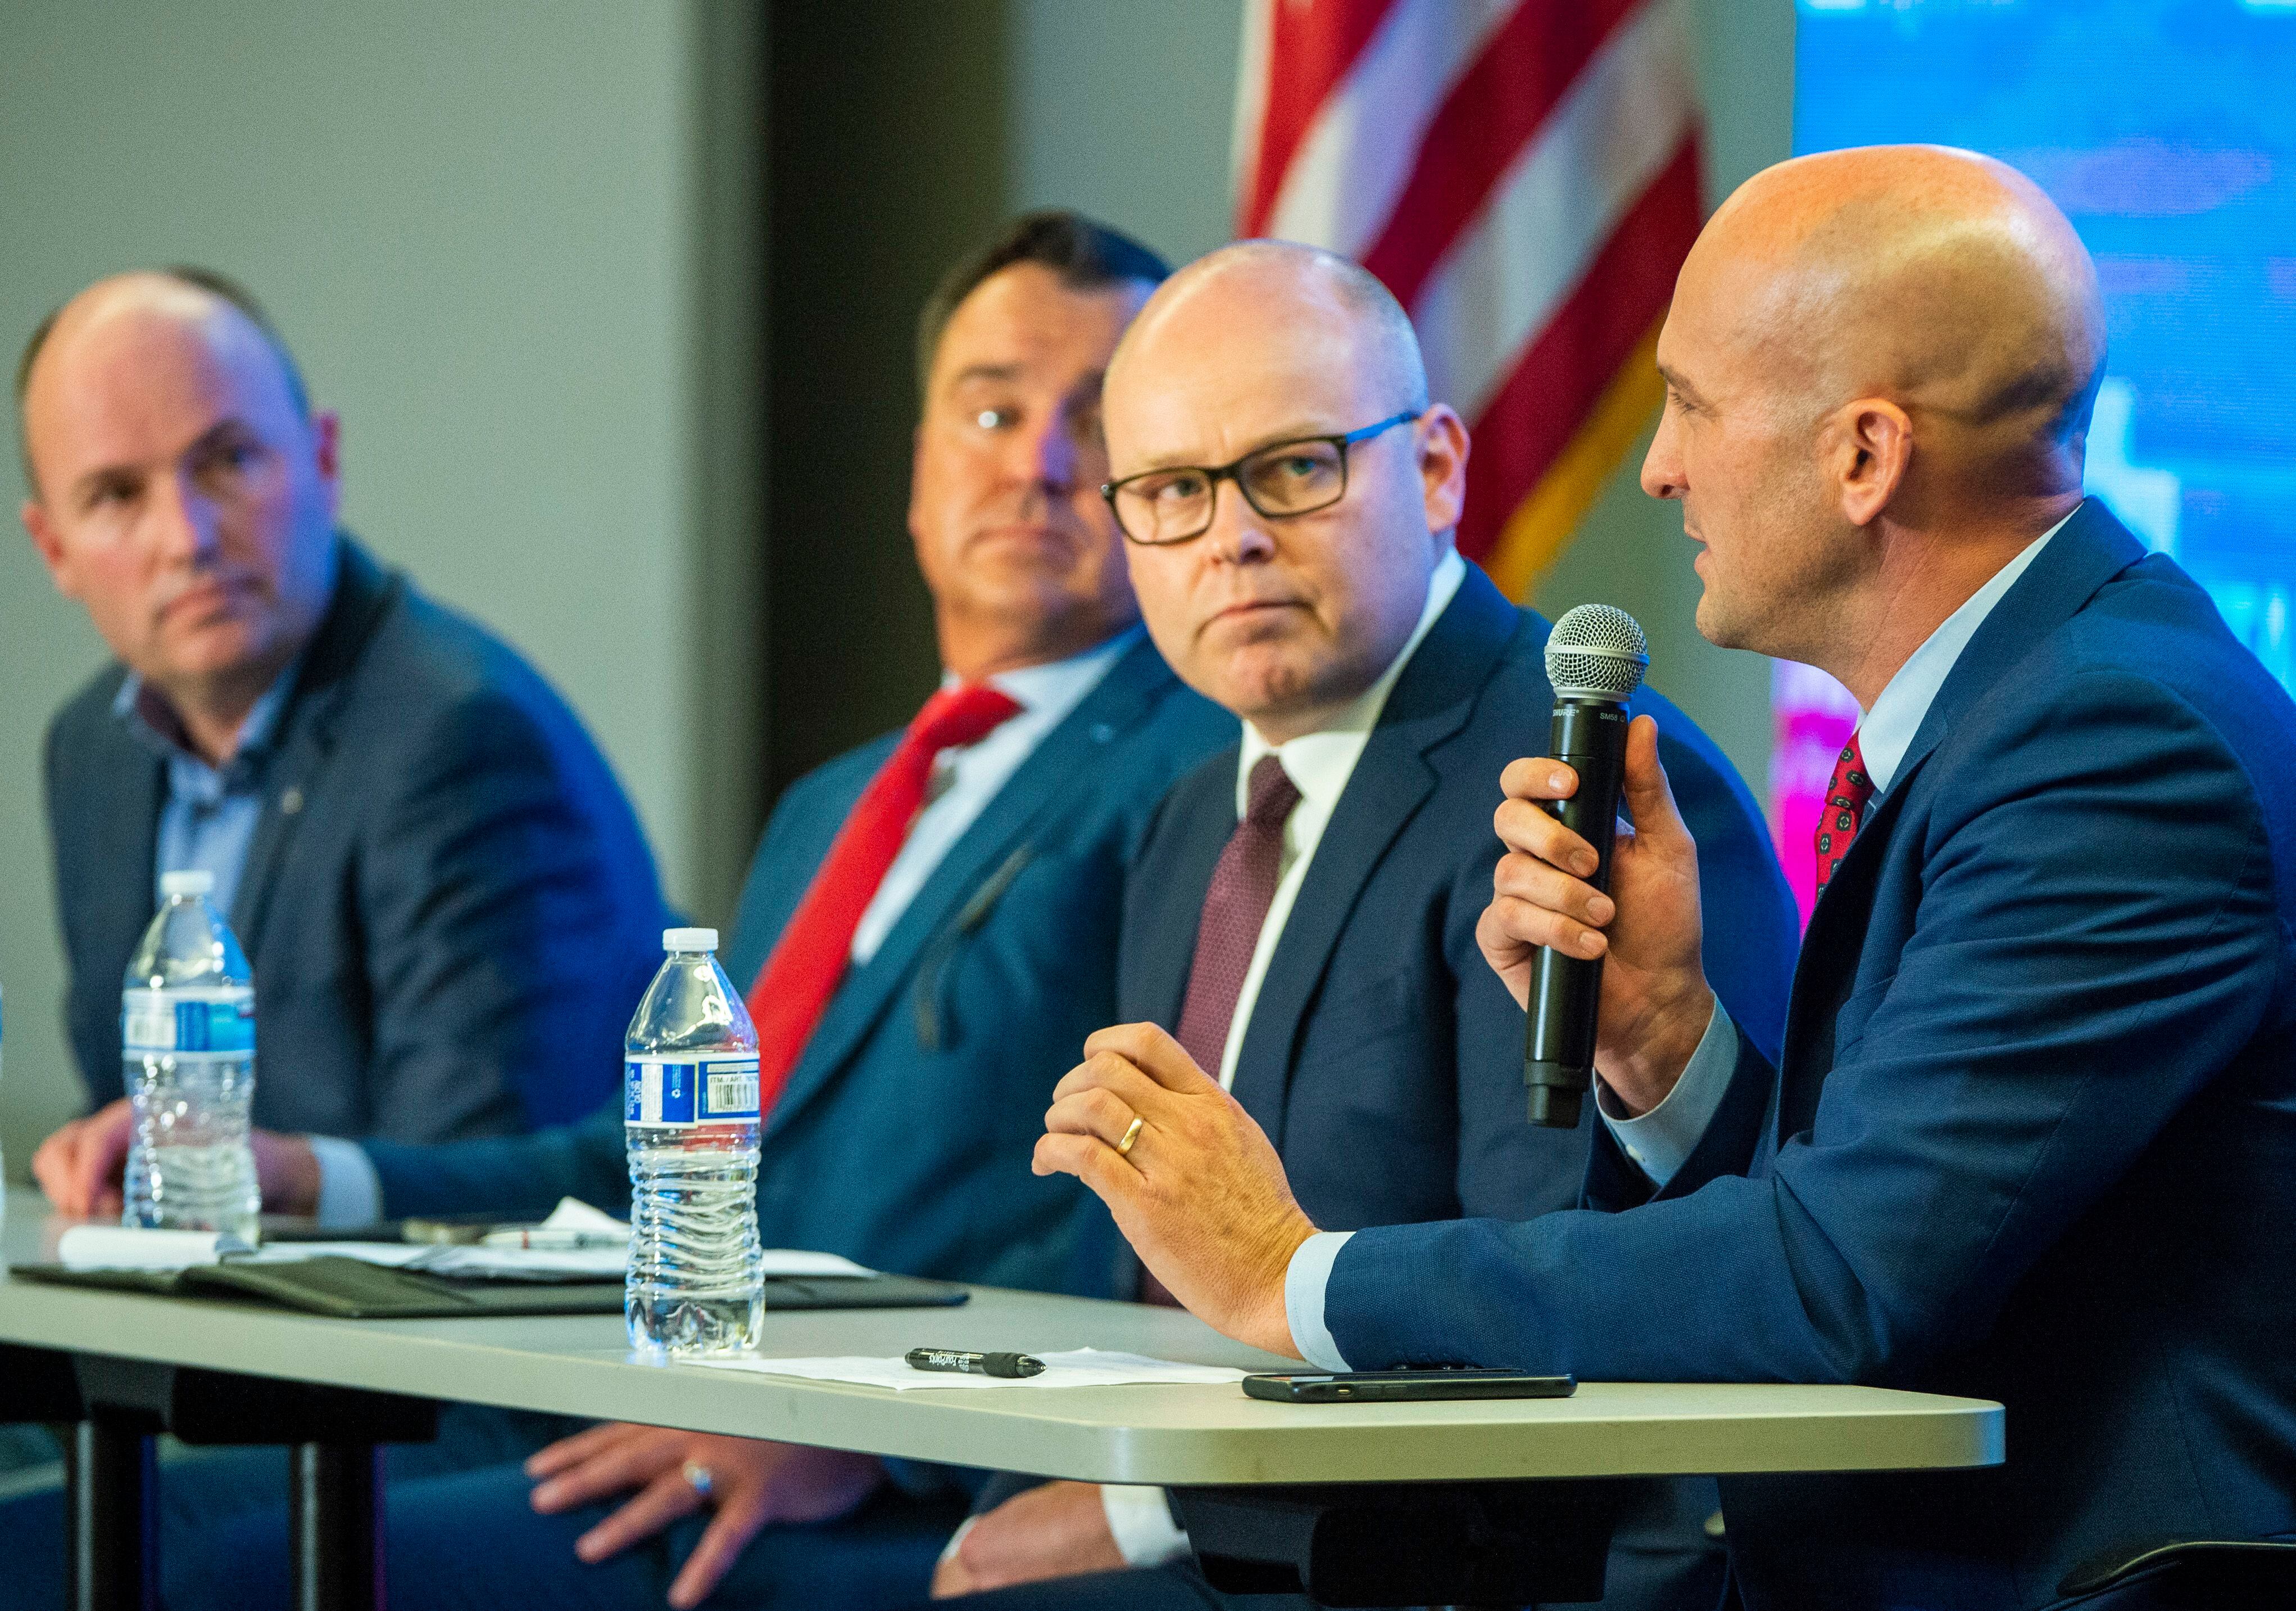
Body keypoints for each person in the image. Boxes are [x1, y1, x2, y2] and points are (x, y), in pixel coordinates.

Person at [994, 150, 2296, 1610]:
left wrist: (1289, 1276)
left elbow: (1836, 1287)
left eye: (1688, 403)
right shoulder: (2029, 710)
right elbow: (1886, 1230)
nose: (1656, 463)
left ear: (1860, 457)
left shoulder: (2109, 746)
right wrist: (1662, 1043)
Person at [93, 211, 1230, 1611]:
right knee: (91, 1528)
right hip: (639, 1378)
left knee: (221, 1580)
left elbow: (1133, 1221)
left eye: (1101, 421)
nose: (1039, 463)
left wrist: (882, 1439)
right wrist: (321, 1176)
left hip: (862, 1464)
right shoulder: (836, 801)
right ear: (920, 473)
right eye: (990, 410)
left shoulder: (1202, 772)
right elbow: (665, 1158)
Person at [929, 242, 1799, 1610]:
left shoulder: (1579, 791)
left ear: (1439, 470)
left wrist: (1149, 1506)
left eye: (1294, 467)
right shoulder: (1183, 819)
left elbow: (1556, 1318)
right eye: (1170, 491)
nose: (1234, 536)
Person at [21, 268, 668, 1216]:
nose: (186, 536)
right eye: (116, 494)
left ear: (324, 459)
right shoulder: (92, 751)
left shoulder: (458, 739)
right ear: (56, 551)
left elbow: (475, 1195)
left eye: (227, 462)